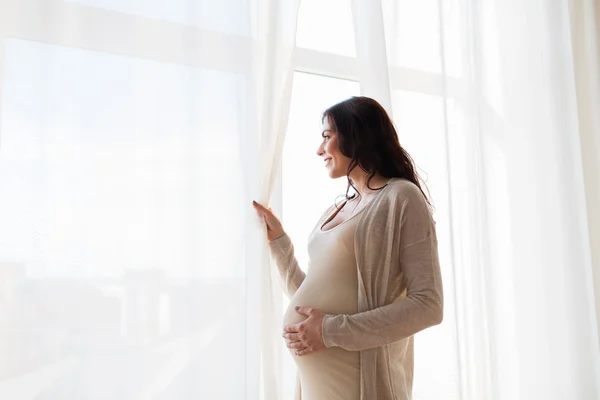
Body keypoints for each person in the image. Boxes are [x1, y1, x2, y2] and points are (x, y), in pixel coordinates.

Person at [252, 96, 444, 400]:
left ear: (356, 134)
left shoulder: (401, 197)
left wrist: (330, 331)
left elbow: (428, 306)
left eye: (327, 137)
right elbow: (309, 298)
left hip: (359, 382)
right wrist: (278, 242)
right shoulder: (338, 206)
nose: (319, 150)